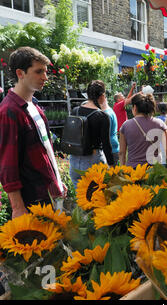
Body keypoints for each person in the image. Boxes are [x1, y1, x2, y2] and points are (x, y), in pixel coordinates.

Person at [0, 47, 67, 219]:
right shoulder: (9, 111)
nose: (45, 77)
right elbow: (7, 163)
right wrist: (17, 207)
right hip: (32, 204)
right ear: (20, 73)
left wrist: (57, 180)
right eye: (39, 72)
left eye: (45, 71)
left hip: (49, 196)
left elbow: (46, 150)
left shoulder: (35, 106)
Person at [69, 80, 115, 188]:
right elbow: (106, 144)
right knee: (97, 199)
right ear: (103, 95)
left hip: (74, 160)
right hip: (93, 161)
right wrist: (112, 166)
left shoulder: (75, 110)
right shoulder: (102, 117)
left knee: (81, 200)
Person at [119, 93, 167, 169]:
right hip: (155, 170)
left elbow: (122, 153)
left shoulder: (126, 125)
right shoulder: (160, 124)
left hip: (133, 170)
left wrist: (122, 170)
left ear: (135, 107)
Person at [100, 98, 119, 166]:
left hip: (110, 149)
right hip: (113, 147)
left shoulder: (106, 114)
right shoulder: (109, 111)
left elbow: (104, 136)